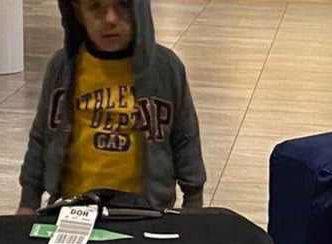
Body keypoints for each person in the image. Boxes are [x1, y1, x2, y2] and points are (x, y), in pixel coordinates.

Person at [18, 0, 205, 214]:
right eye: (95, 7)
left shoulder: (166, 68)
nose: (110, 19)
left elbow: (186, 137)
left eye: (123, 5)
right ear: (78, 11)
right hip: (75, 206)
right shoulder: (63, 67)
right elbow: (42, 136)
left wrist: (193, 202)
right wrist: (28, 201)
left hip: (146, 209)